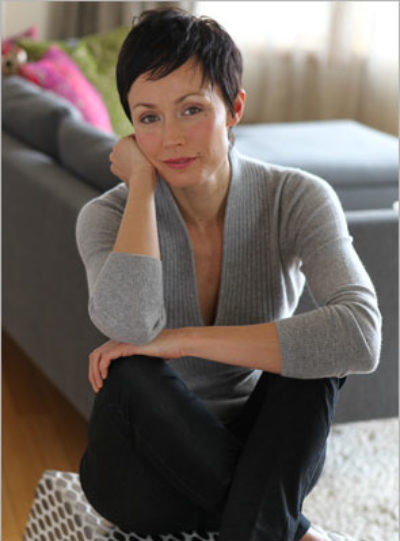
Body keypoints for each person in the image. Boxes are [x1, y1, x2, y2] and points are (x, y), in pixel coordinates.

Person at [76, 7, 381, 541]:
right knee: (131, 371)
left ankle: (262, 523)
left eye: (191, 109)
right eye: (149, 118)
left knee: (317, 356)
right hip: (142, 473)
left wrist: (183, 340)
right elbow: (129, 323)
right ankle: (289, 529)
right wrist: (142, 187)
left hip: (254, 447)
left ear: (235, 107)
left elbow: (361, 334)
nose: (171, 138)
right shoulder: (106, 216)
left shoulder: (296, 197)